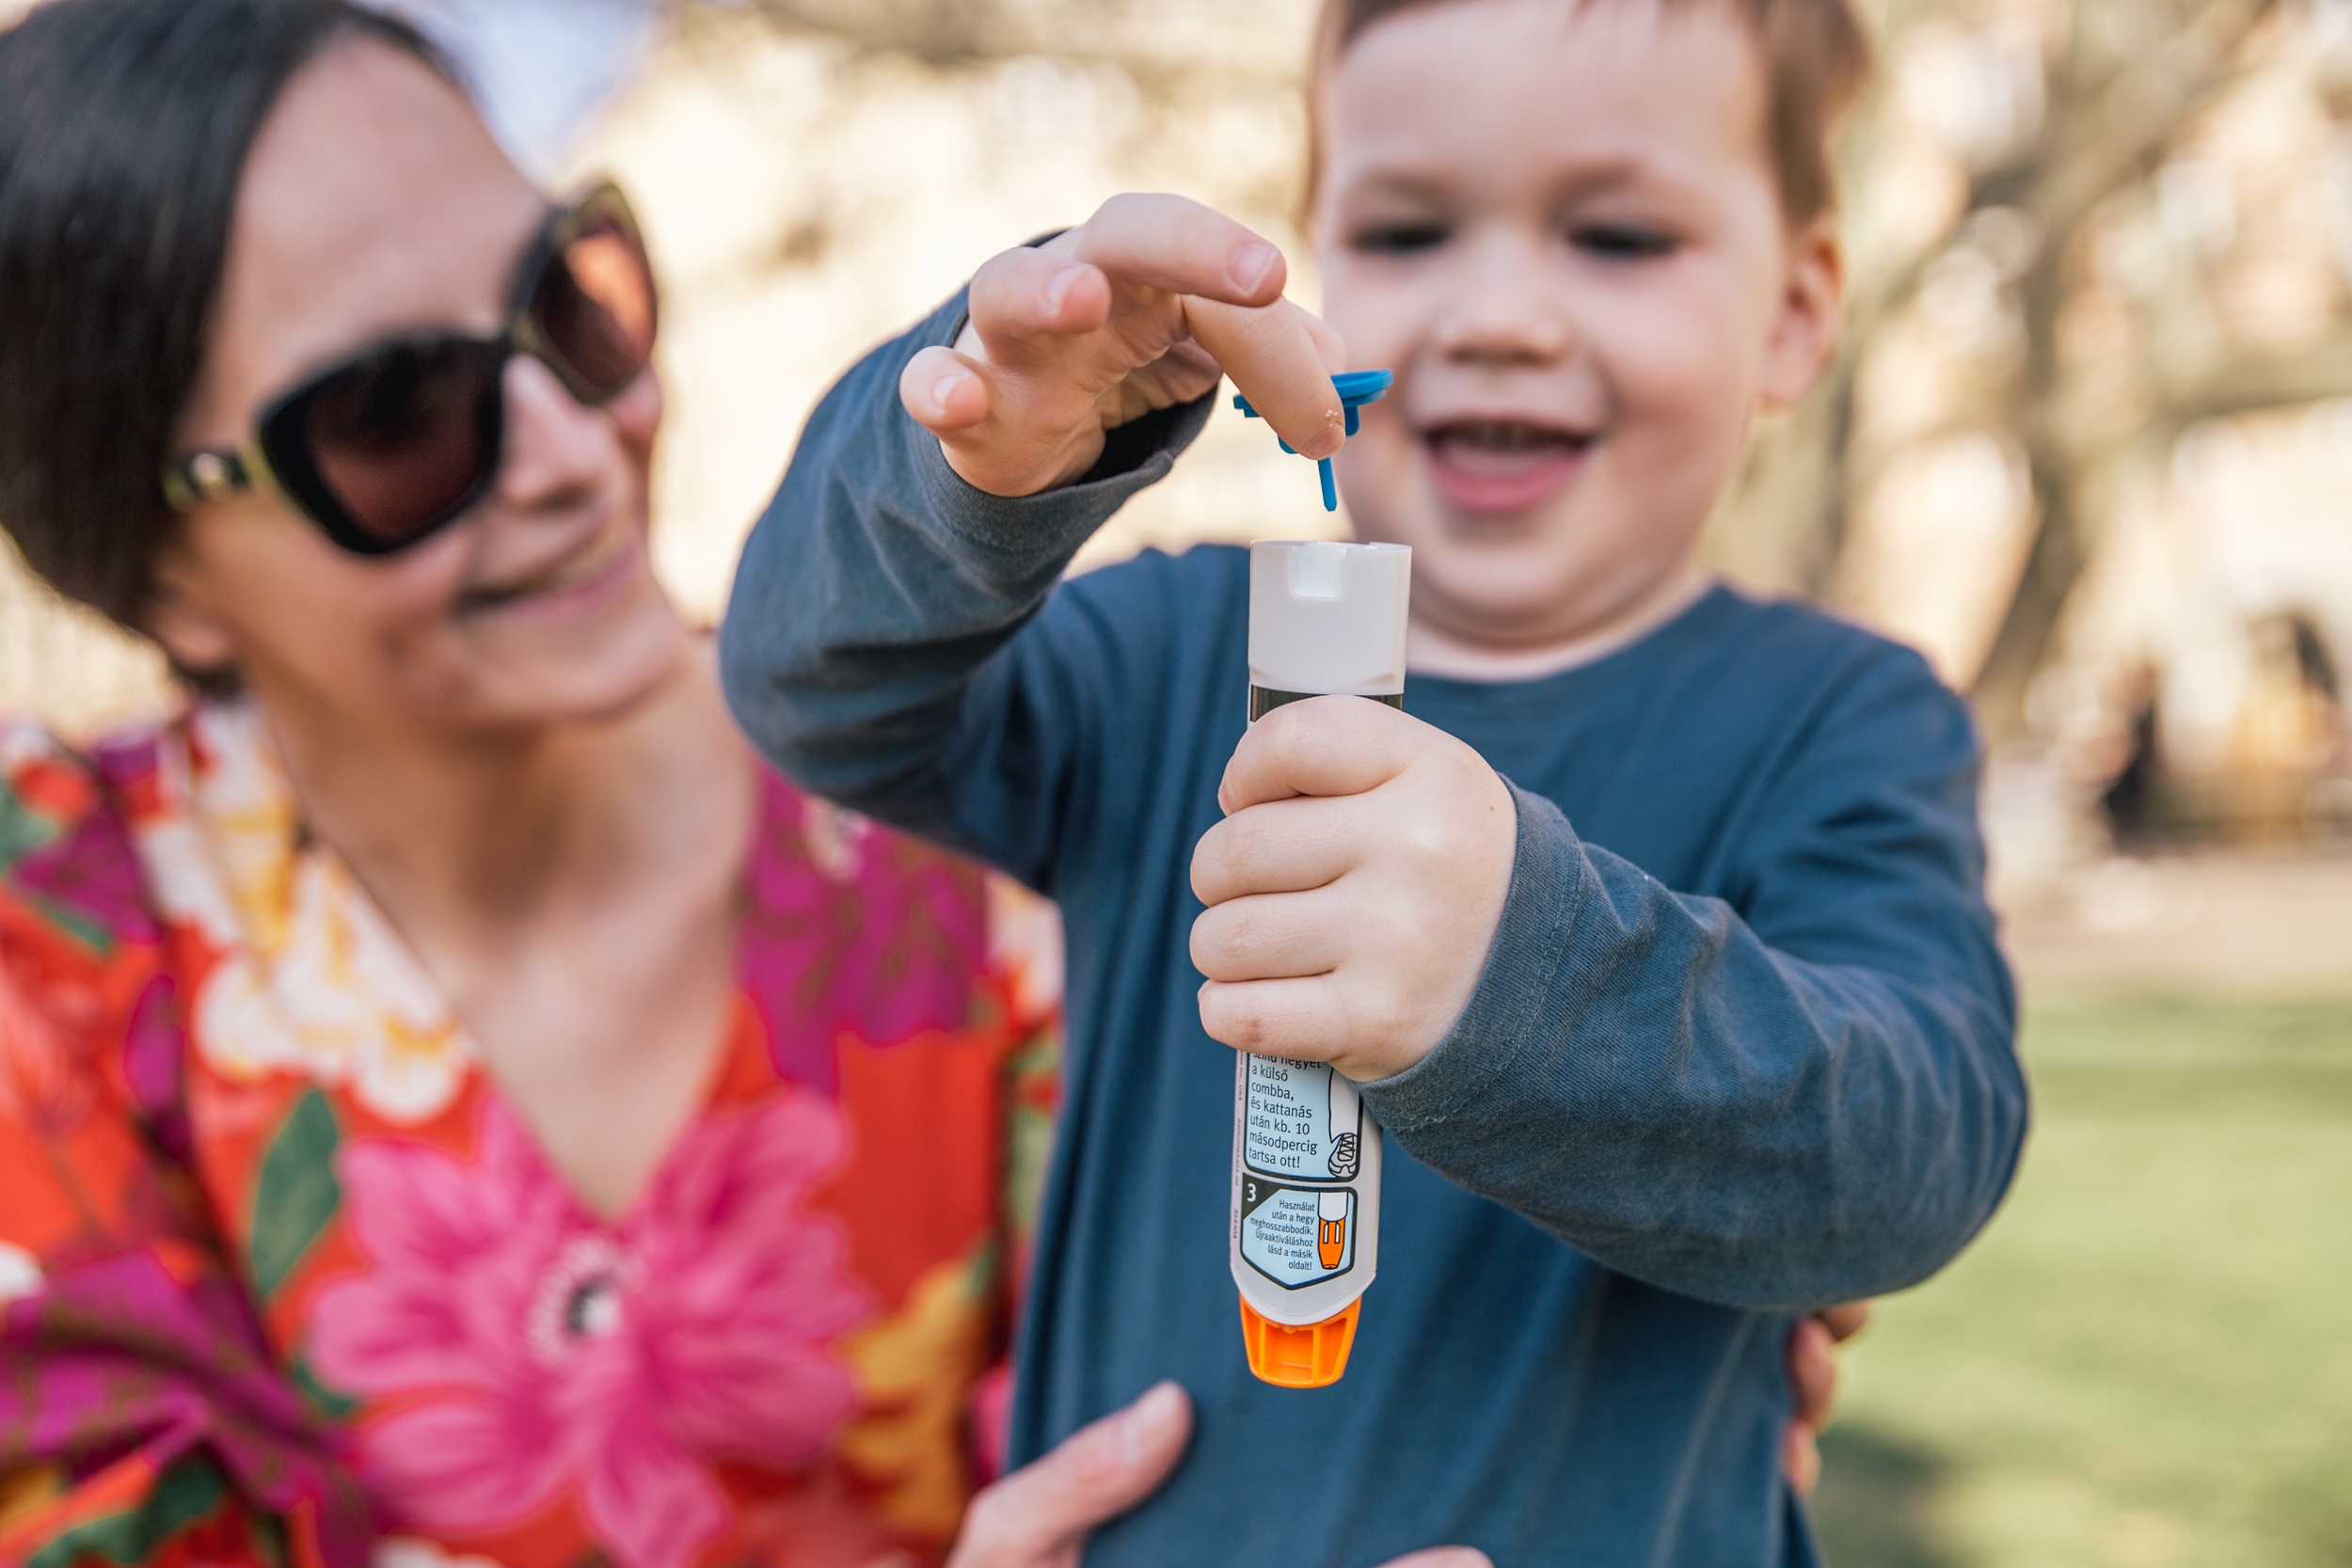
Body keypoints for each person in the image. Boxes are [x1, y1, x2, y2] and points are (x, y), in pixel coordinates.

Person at [0, 7, 1491, 1568]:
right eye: (397, 417)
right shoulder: (59, 955)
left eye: (567, 303)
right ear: (151, 566)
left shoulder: (980, 814)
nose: (581, 445)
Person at [719, 0, 2026, 1561]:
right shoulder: (1169, 657)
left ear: (1802, 308)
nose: (1497, 314)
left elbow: (1920, 1142)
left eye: (1615, 236)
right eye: (1410, 230)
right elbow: (810, 684)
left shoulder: (1836, 718)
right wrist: (972, 462)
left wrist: (1518, 973)